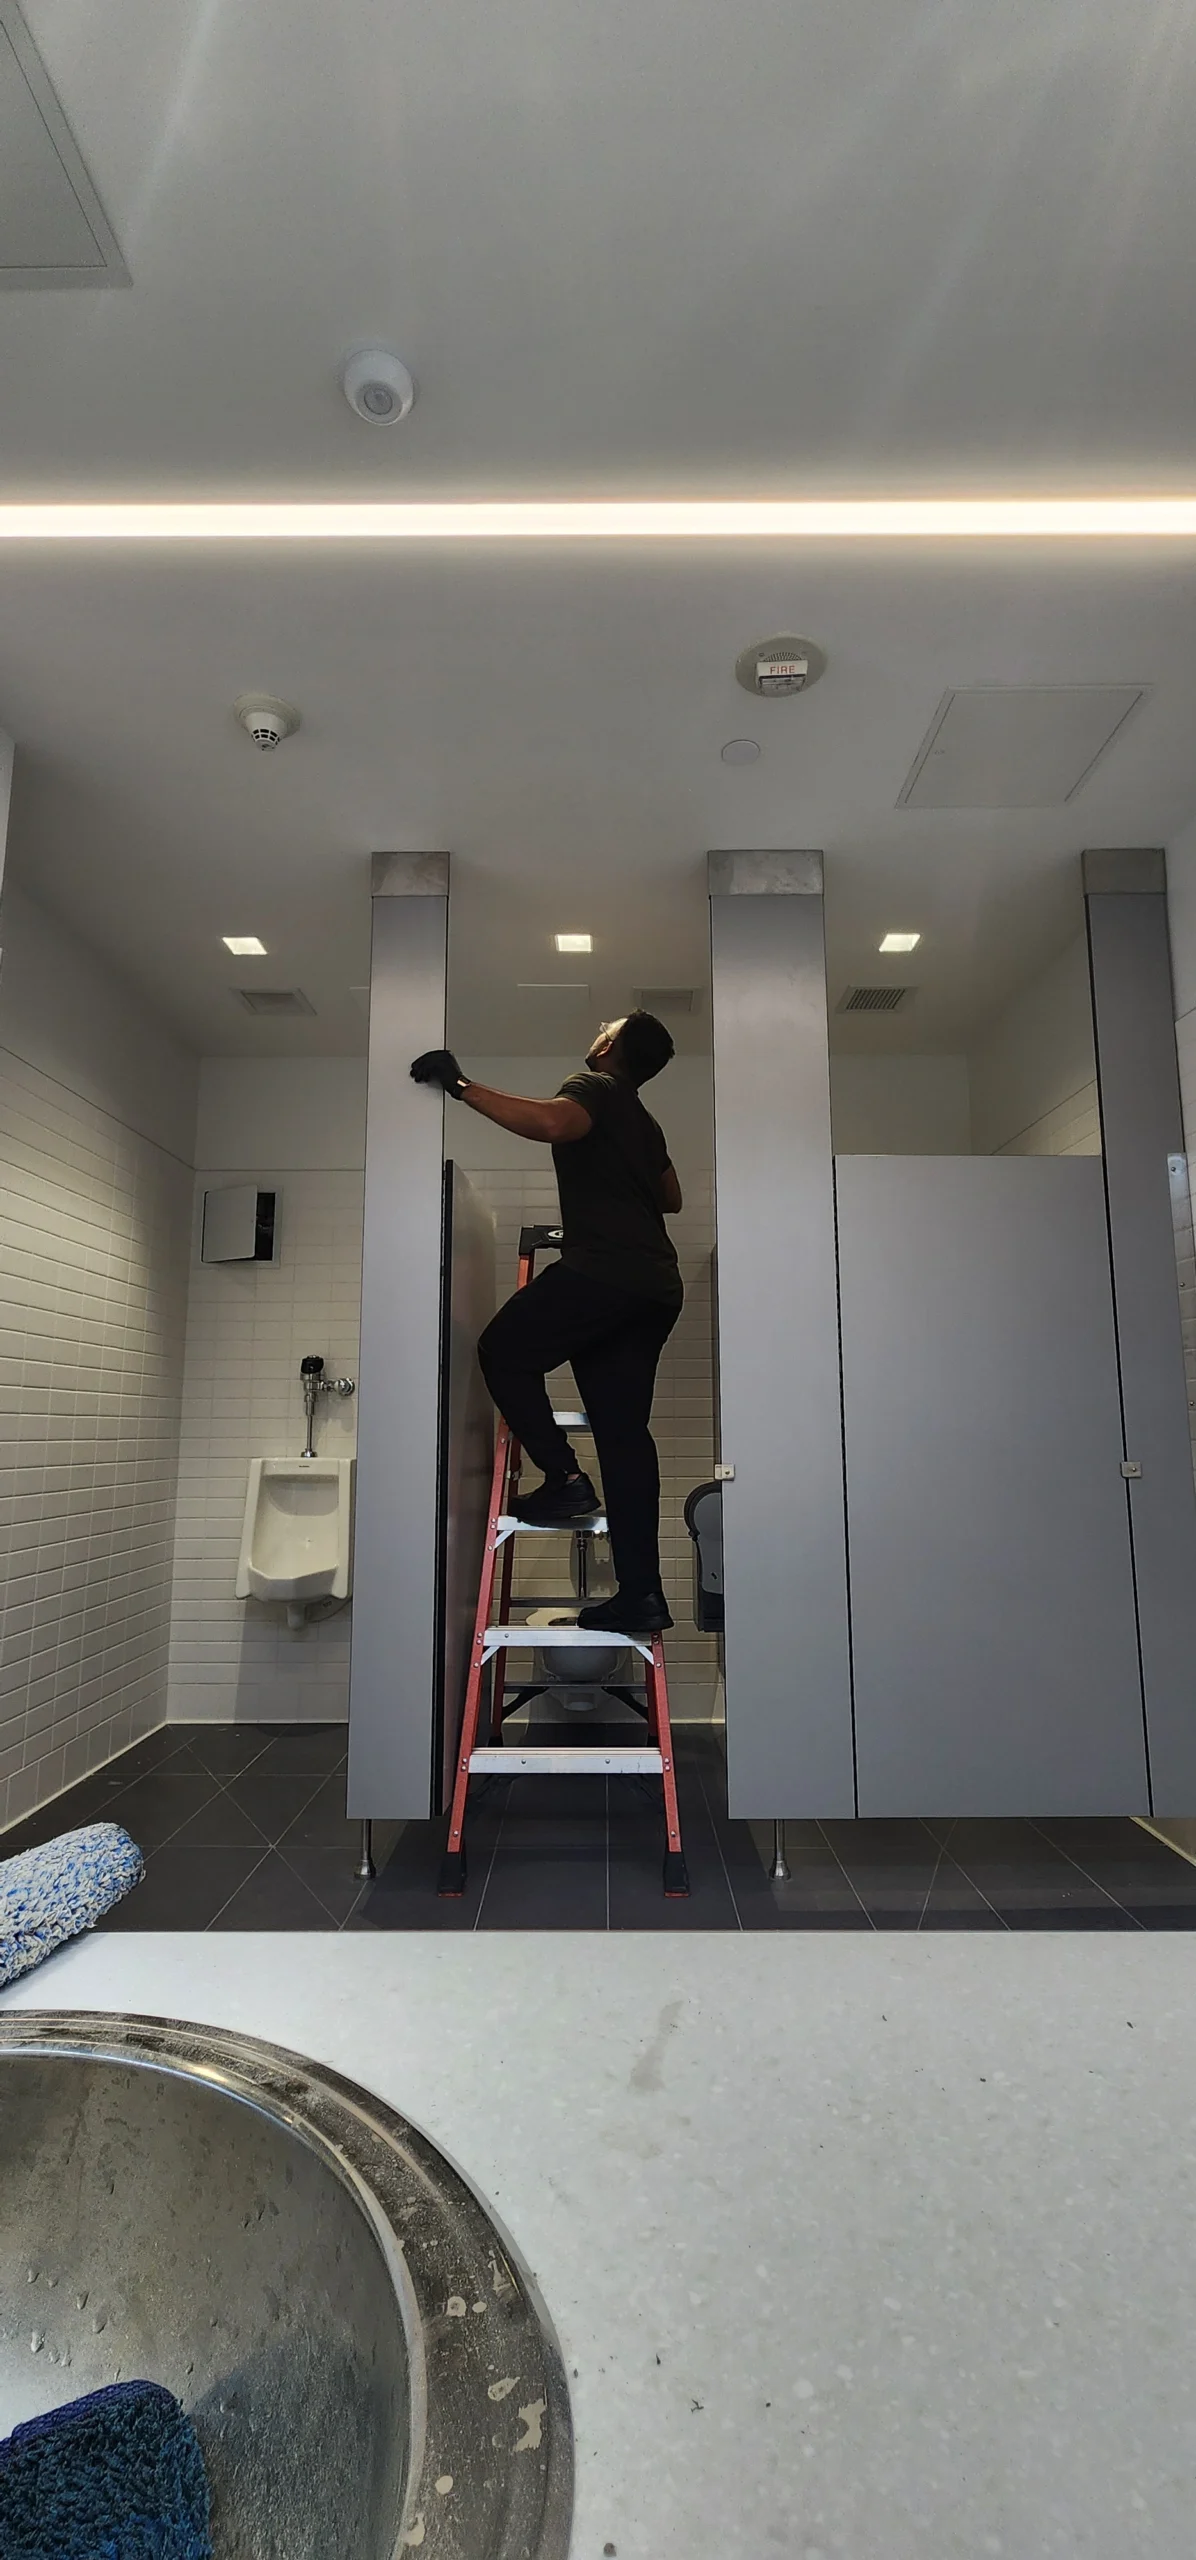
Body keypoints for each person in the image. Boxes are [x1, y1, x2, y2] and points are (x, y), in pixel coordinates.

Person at [410, 1013, 683, 1634]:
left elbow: (555, 1124)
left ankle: (563, 1478)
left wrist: (461, 1086)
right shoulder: (644, 1120)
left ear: (609, 1047)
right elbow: (671, 1197)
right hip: (655, 1287)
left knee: (504, 1351)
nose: (598, 1029)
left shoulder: (595, 1087)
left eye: (607, 1026)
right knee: (624, 1435)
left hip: (605, 1270)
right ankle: (641, 1594)